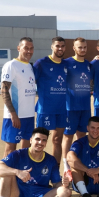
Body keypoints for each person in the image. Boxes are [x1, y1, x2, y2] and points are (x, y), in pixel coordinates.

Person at [33, 37, 67, 166]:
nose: (60, 48)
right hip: (45, 109)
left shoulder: (66, 64)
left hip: (62, 109)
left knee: (57, 140)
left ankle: (55, 171)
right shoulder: (41, 63)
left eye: (62, 46)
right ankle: (35, 169)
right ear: (52, 47)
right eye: (57, 46)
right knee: (39, 141)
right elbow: (30, 82)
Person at [0, 37, 36, 158]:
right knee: (11, 150)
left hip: (29, 115)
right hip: (15, 116)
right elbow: (4, 91)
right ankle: (6, 176)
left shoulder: (30, 67)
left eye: (31, 48)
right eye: (26, 48)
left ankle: (21, 175)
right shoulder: (11, 65)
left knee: (26, 150)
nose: (29, 51)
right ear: (19, 48)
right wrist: (13, 114)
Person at [61, 37, 92, 171]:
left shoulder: (88, 65)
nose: (83, 50)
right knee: (68, 137)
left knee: (82, 136)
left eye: (85, 47)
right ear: (74, 48)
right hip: (70, 107)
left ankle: (79, 162)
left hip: (85, 107)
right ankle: (66, 167)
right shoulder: (66, 63)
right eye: (80, 47)